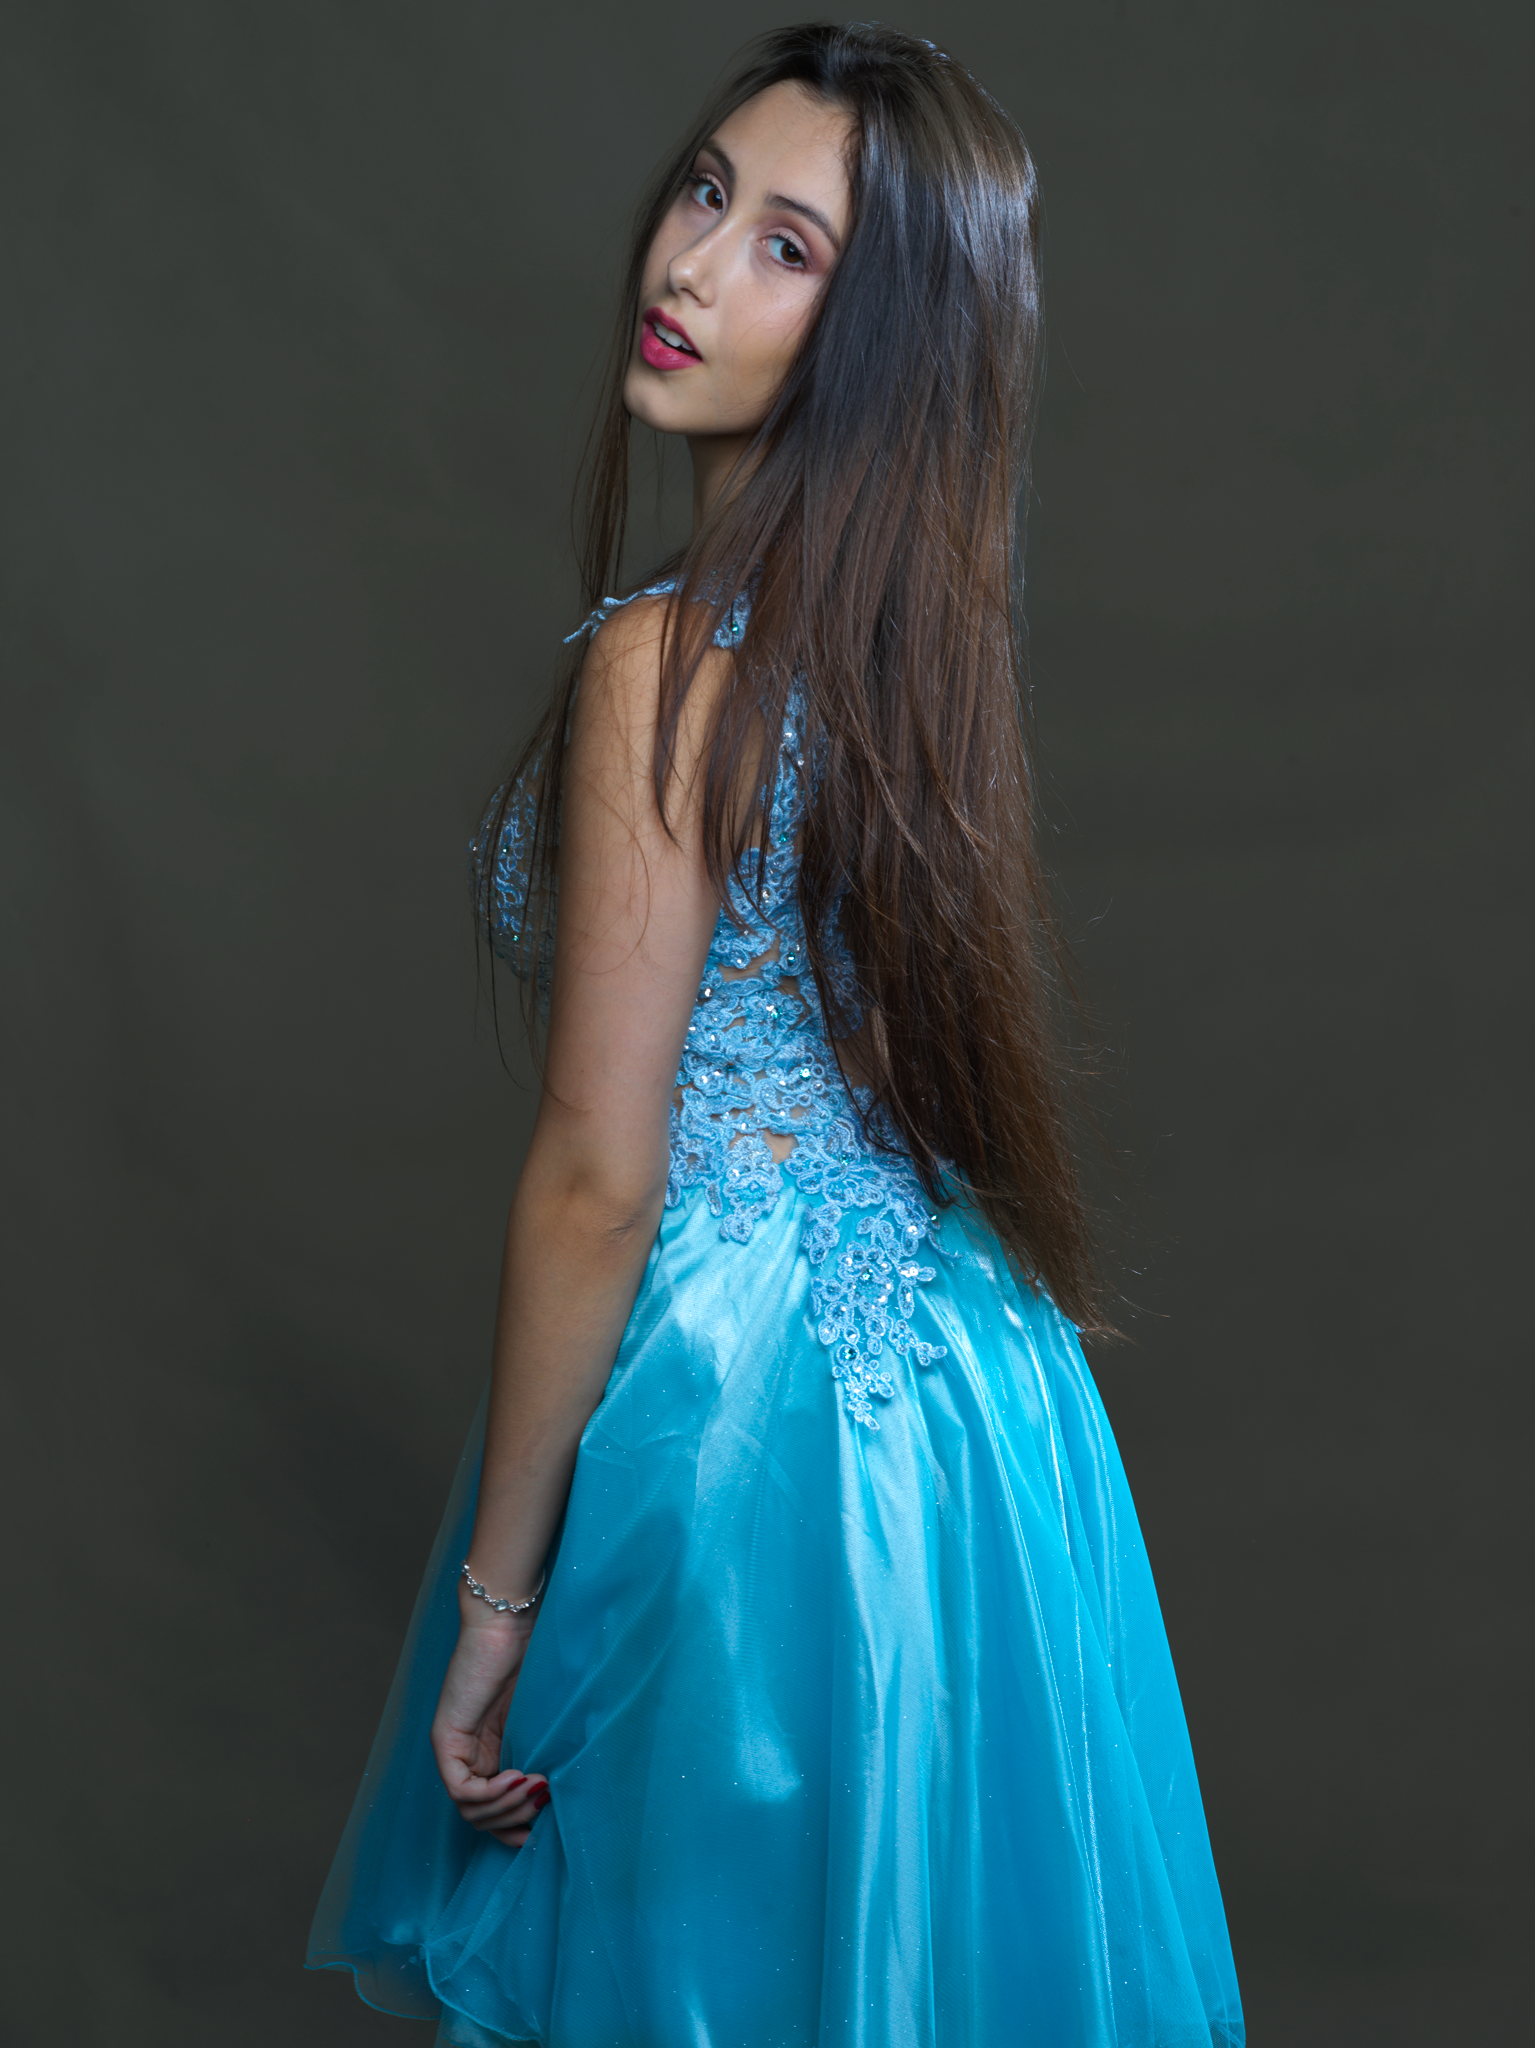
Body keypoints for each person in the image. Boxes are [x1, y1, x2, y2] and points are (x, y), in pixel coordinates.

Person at [307, 24, 1244, 2048]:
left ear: (881, 337)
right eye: (707, 192)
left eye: (786, 248)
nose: (689, 262)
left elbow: (598, 1171)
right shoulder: (904, 650)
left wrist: (493, 1609)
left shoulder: (666, 666)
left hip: (741, 1424)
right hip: (981, 1415)